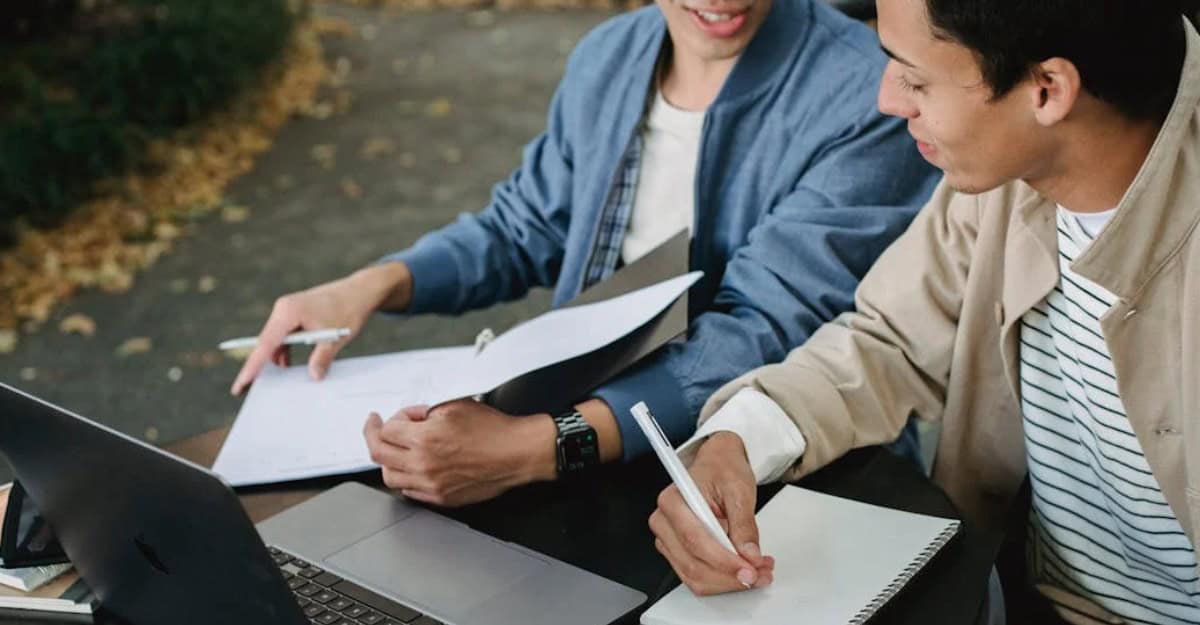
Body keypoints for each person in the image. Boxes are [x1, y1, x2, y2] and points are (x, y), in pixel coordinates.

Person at [231, 0, 937, 507]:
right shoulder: (609, 56)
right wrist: (372, 284)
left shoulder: (865, 94)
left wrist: (535, 446)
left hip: (771, 477)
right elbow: (524, 227)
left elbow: (763, 329)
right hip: (573, 439)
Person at [648, 0, 1200, 623]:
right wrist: (736, 442)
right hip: (1019, 594)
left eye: (915, 78)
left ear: (1047, 90)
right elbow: (887, 342)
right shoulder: (1011, 172)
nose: (889, 101)